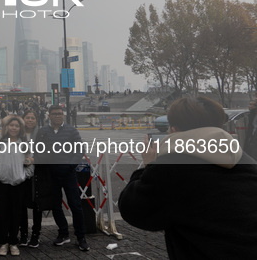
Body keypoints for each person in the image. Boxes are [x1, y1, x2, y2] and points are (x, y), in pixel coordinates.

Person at [118, 96, 257, 259]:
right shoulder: (245, 160)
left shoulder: (171, 168)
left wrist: (148, 165)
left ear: (174, 129)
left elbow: (133, 210)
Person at [34, 105, 90, 251]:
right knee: (56, 206)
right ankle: (63, 233)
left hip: (68, 173)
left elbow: (80, 150)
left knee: (75, 205)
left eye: (60, 114)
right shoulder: (43, 131)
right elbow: (37, 150)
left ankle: (81, 237)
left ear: (63, 115)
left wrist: (70, 165)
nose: (58, 116)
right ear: (49, 116)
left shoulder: (71, 131)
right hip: (51, 175)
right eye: (55, 114)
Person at [0, 115, 34, 257]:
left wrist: (23, 176)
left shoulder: (24, 144)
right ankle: (3, 242)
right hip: (2, 184)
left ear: (20, 128)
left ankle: (13, 242)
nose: (14, 128)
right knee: (2, 213)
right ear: (6, 127)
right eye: (11, 125)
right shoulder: (0, 143)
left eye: (16, 125)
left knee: (16, 214)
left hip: (18, 184)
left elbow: (30, 164)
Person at [20, 110, 43, 248]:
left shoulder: (41, 134)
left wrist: (33, 159)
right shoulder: (17, 133)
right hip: (20, 174)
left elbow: (47, 152)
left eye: (32, 118)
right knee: (22, 205)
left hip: (37, 175)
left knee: (36, 206)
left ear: (36, 120)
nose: (29, 120)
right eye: (27, 117)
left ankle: (35, 235)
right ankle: (23, 234)